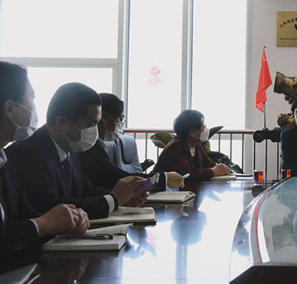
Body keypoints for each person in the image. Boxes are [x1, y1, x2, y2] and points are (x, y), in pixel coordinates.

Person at [7, 83, 147, 220]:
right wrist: (113, 199)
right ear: (61, 123)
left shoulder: (69, 148)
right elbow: (52, 208)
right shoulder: (28, 153)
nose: (95, 131)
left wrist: (123, 198)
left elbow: (84, 189)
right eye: (91, 124)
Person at [0, 62, 89, 254]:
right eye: (31, 97)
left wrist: (65, 222)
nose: (34, 107)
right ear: (10, 108)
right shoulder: (25, 153)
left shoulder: (4, 161)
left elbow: (25, 214)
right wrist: (43, 224)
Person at [77, 93, 184, 191]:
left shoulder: (97, 145)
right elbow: (116, 177)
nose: (121, 124)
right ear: (104, 117)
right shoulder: (87, 147)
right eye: (120, 118)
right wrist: (164, 178)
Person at [153, 109, 230, 180]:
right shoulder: (176, 147)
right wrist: (213, 171)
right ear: (192, 133)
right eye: (203, 126)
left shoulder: (196, 144)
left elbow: (208, 164)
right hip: (166, 189)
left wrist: (221, 168)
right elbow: (186, 175)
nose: (205, 128)